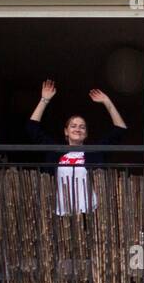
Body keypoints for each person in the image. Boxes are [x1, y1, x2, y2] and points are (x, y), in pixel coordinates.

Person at [27, 79, 128, 213]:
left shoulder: (94, 152)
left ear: (86, 134)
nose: (78, 129)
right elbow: (32, 128)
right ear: (66, 132)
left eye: (82, 127)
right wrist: (44, 100)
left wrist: (107, 102)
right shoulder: (56, 152)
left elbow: (120, 130)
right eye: (73, 126)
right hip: (60, 212)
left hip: (89, 212)